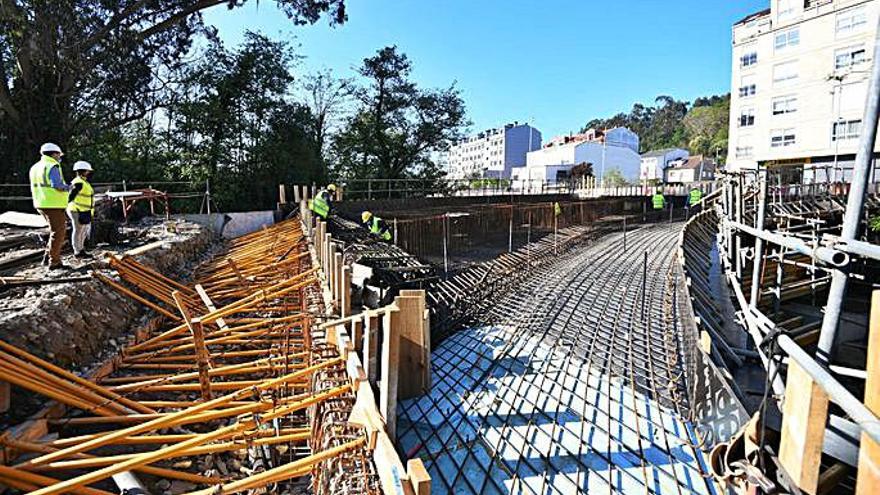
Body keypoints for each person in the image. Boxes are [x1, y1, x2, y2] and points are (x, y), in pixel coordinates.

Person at [29, 143, 70, 270]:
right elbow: (57, 185)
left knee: (54, 232)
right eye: (58, 154)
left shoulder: (35, 167)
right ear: (54, 154)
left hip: (41, 203)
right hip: (53, 204)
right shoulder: (52, 165)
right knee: (59, 232)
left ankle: (48, 257)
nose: (59, 157)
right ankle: (54, 262)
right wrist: (69, 187)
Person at [67, 161, 95, 259]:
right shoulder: (78, 182)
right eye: (88, 171)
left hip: (83, 210)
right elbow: (70, 197)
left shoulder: (83, 181)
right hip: (76, 210)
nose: (89, 172)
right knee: (78, 230)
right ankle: (77, 251)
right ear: (84, 171)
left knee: (82, 230)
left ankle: (81, 249)